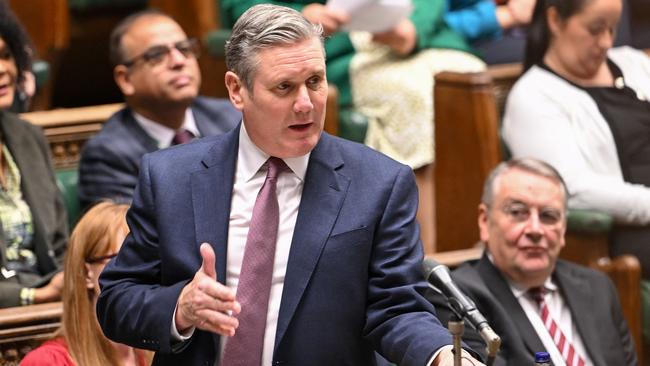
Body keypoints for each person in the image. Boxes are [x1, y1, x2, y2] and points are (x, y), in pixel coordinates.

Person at [96, 4, 484, 366]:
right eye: (284, 87)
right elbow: (116, 300)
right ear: (236, 90)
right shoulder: (170, 179)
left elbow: (397, 308)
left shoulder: (380, 183)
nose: (306, 104)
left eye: (315, 81)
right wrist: (179, 307)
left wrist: (441, 356)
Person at [221, 0, 485, 169]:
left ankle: (464, 223)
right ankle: (420, 225)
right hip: (328, 48)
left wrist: (413, 27)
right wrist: (300, 16)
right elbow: (240, 8)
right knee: (409, 92)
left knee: (468, 74)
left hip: (410, 39)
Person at [426, 158, 637, 365]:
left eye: (549, 215)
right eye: (517, 212)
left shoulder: (597, 286)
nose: (535, 229)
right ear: (484, 220)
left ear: (563, 228)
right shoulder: (457, 299)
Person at [501, 0, 650, 278]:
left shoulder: (635, 63)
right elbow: (573, 188)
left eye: (613, 28)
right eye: (595, 29)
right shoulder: (534, 96)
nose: (606, 42)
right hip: (627, 235)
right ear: (555, 20)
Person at [77, 9, 241, 210]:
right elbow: (131, 236)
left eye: (184, 48)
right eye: (157, 55)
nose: (179, 61)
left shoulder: (232, 118)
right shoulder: (108, 156)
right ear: (125, 79)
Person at [21, 202, 152, 365]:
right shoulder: (46, 362)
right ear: (86, 274)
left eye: (145, 259)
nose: (141, 271)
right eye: (124, 259)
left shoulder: (159, 351)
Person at [0, 0, 67, 309]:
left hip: (55, 303)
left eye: (6, 55)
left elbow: (60, 245)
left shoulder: (28, 137)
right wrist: (32, 296)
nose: (3, 69)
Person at [444, 0, 536, 64]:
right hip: (455, 45)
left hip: (514, 32)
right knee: (536, 51)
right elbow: (435, 27)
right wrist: (503, 16)